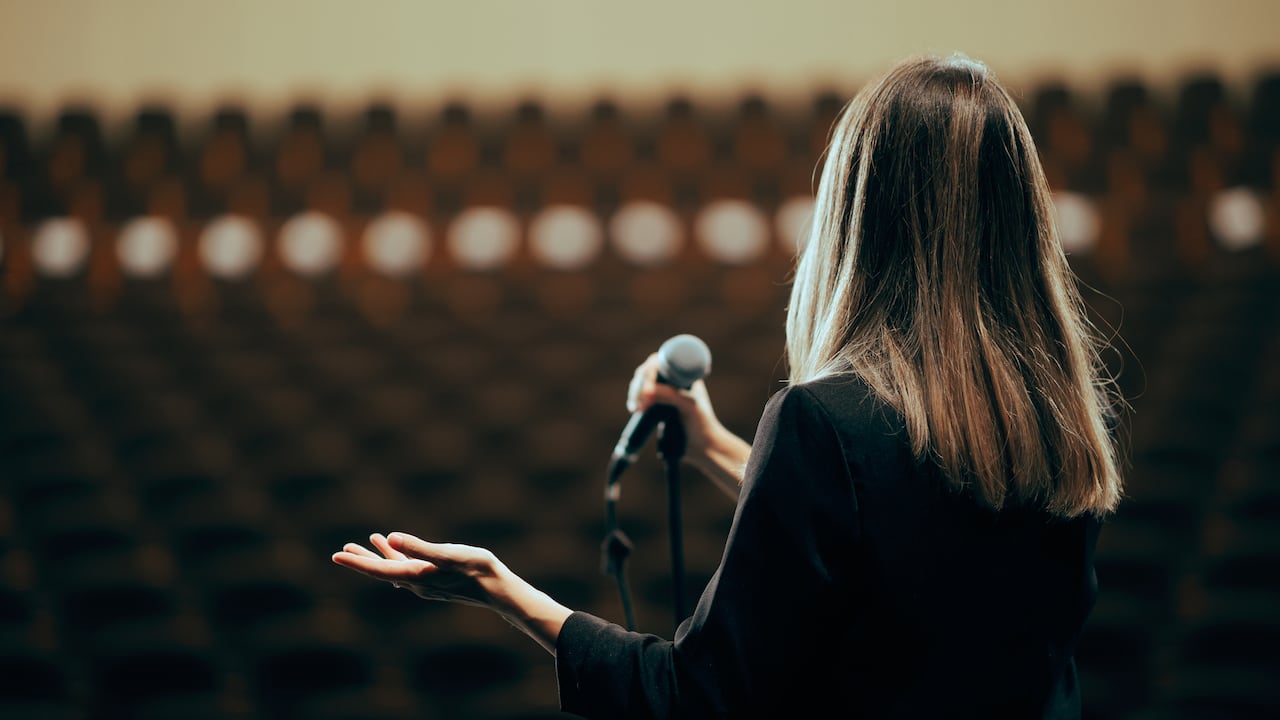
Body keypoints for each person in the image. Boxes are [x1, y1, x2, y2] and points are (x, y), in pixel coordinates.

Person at [332, 52, 1125, 719]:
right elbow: (901, 540)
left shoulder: (821, 424)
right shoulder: (1053, 430)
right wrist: (716, 447)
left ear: (858, 216)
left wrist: (501, 590)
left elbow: (700, 696)